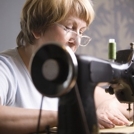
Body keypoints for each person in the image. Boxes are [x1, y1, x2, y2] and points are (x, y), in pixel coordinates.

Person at [0, 0, 132, 133]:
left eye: (81, 32)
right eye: (69, 28)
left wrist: (108, 106)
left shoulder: (66, 72)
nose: (77, 41)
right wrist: (65, 117)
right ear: (38, 28)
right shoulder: (5, 68)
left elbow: (125, 104)